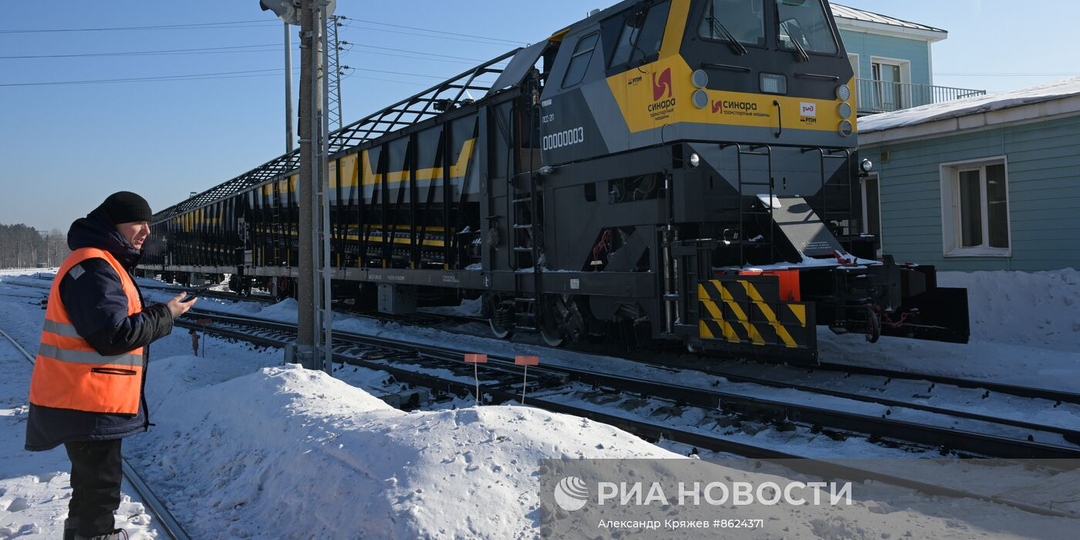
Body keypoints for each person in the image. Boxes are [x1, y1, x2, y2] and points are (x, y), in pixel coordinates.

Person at [24, 191, 197, 540]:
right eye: (138, 223)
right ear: (113, 224)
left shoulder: (99, 262)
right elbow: (112, 336)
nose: (147, 231)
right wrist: (166, 315)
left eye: (149, 223)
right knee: (99, 494)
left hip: (85, 399)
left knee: (90, 491)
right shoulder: (93, 267)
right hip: (86, 401)